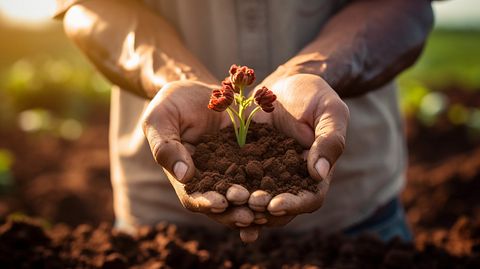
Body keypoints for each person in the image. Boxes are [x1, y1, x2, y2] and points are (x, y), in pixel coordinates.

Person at [54, 0, 434, 242]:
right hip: (162, 229)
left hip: (356, 222)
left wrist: (312, 72)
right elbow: (89, 6)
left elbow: (406, 6)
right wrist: (174, 78)